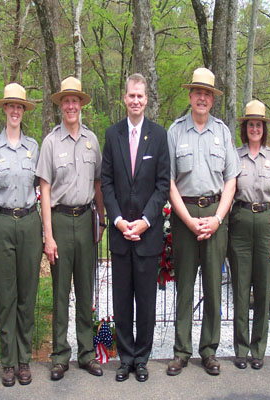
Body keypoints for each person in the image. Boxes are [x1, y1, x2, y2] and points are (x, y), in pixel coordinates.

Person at [166, 67, 240, 377]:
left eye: (207, 93)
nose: (202, 97)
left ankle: (209, 350)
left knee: (212, 285)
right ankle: (181, 351)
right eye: (197, 92)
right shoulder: (175, 131)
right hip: (184, 217)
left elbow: (231, 181)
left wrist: (217, 218)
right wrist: (187, 219)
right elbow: (168, 182)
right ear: (190, 95)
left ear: (212, 99)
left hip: (214, 214)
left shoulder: (222, 132)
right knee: (184, 287)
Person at [101, 73, 170, 382]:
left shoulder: (158, 135)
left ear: (146, 99)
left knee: (145, 300)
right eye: (131, 96)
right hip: (119, 232)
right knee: (122, 300)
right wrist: (117, 220)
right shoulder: (112, 134)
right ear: (124, 98)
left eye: (141, 96)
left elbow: (162, 185)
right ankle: (125, 358)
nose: (136, 101)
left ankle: (142, 357)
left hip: (147, 234)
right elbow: (107, 183)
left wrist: (143, 222)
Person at [36, 76, 106, 381]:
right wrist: (48, 235)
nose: (71, 105)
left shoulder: (92, 140)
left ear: (81, 104)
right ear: (60, 105)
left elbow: (98, 184)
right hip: (61, 221)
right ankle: (60, 355)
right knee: (61, 291)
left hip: (87, 217)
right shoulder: (51, 142)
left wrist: (102, 219)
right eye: (66, 101)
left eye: (75, 100)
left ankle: (86, 353)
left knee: (86, 289)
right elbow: (45, 188)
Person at [0, 83, 42, 386]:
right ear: (4, 109)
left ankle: (24, 359)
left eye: (20, 106)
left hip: (30, 222)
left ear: (23, 111)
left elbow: (39, 186)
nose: (15, 111)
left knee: (27, 295)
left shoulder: (34, 146)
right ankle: (7, 361)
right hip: (2, 222)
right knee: (6, 294)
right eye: (11, 106)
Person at [227, 100, 270, 370]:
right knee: (240, 289)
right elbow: (227, 192)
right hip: (239, 223)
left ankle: (258, 349)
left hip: (265, 223)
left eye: (258, 124)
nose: (254, 128)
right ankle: (241, 349)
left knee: (263, 290)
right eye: (250, 124)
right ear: (245, 128)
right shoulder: (234, 156)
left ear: (264, 128)